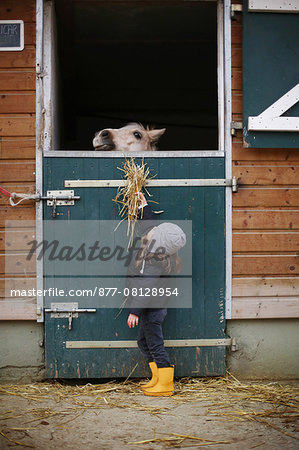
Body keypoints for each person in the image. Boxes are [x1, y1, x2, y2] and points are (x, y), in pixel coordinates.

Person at [126, 193, 186, 396]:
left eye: (154, 235)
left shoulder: (154, 262)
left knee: (155, 344)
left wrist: (134, 311)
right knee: (144, 342)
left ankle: (166, 384)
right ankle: (157, 378)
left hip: (153, 310)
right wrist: (144, 206)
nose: (150, 233)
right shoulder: (158, 248)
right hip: (152, 308)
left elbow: (146, 289)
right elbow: (150, 227)